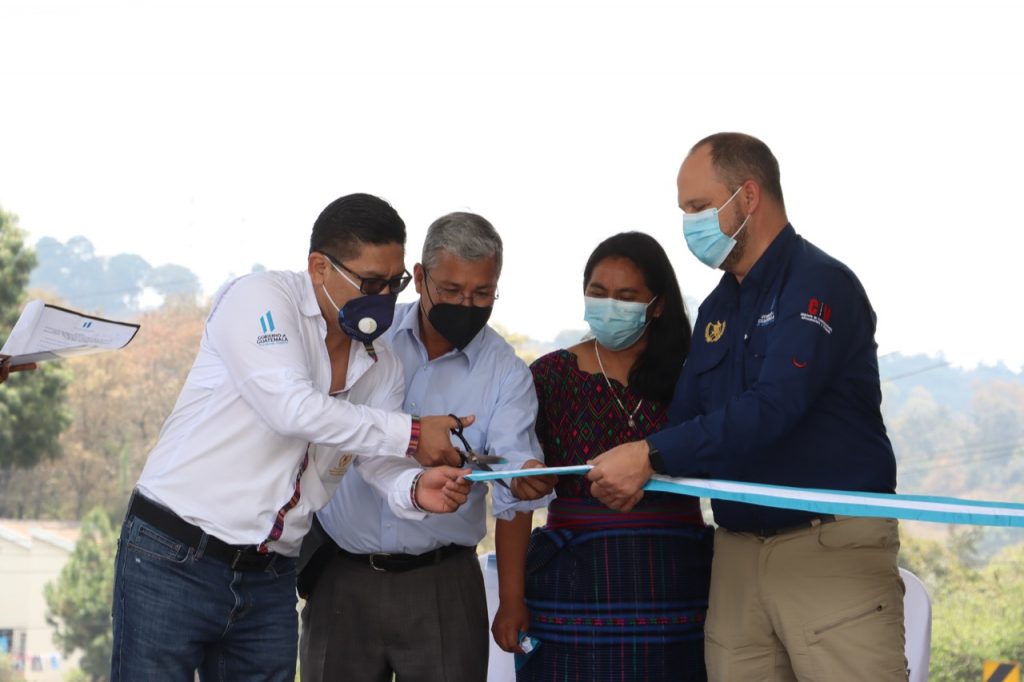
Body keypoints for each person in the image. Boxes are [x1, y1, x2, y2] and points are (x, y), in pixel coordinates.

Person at [111, 193, 475, 682]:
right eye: (371, 283)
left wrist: (413, 487)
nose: (386, 297)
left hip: (270, 574)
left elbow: (374, 455)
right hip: (175, 553)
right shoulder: (260, 299)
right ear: (319, 267)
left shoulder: (382, 363)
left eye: (395, 284)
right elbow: (291, 408)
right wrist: (412, 433)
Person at [588, 133, 905, 681]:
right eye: (684, 210)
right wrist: (611, 468)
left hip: (826, 547)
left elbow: (774, 407)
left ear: (749, 197)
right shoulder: (717, 307)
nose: (689, 224)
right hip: (736, 554)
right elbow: (686, 421)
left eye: (698, 207)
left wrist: (649, 455)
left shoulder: (818, 284)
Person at [300, 211, 557, 682]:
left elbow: (512, 490)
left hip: (442, 586)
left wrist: (511, 599)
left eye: (482, 294)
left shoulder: (506, 373)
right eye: (452, 291)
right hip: (342, 576)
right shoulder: (367, 337)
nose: (467, 304)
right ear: (419, 279)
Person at [496, 232, 712, 681]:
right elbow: (519, 494)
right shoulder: (551, 377)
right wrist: (511, 598)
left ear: (657, 305)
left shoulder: (693, 376)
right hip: (573, 587)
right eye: (598, 292)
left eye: (626, 296)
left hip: (677, 584)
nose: (610, 305)